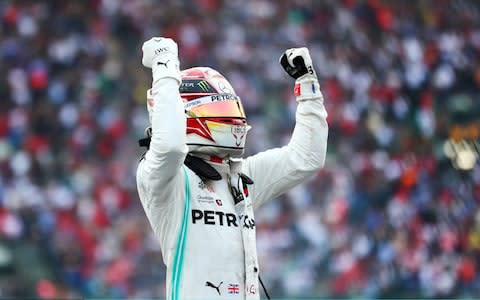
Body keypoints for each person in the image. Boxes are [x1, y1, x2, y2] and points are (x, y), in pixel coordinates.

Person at [136, 37, 328, 300]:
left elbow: (307, 157)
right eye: (219, 109)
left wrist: (308, 88)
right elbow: (169, 146)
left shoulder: (239, 177)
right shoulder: (166, 178)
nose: (232, 119)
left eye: (230, 108)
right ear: (186, 116)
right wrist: (164, 66)